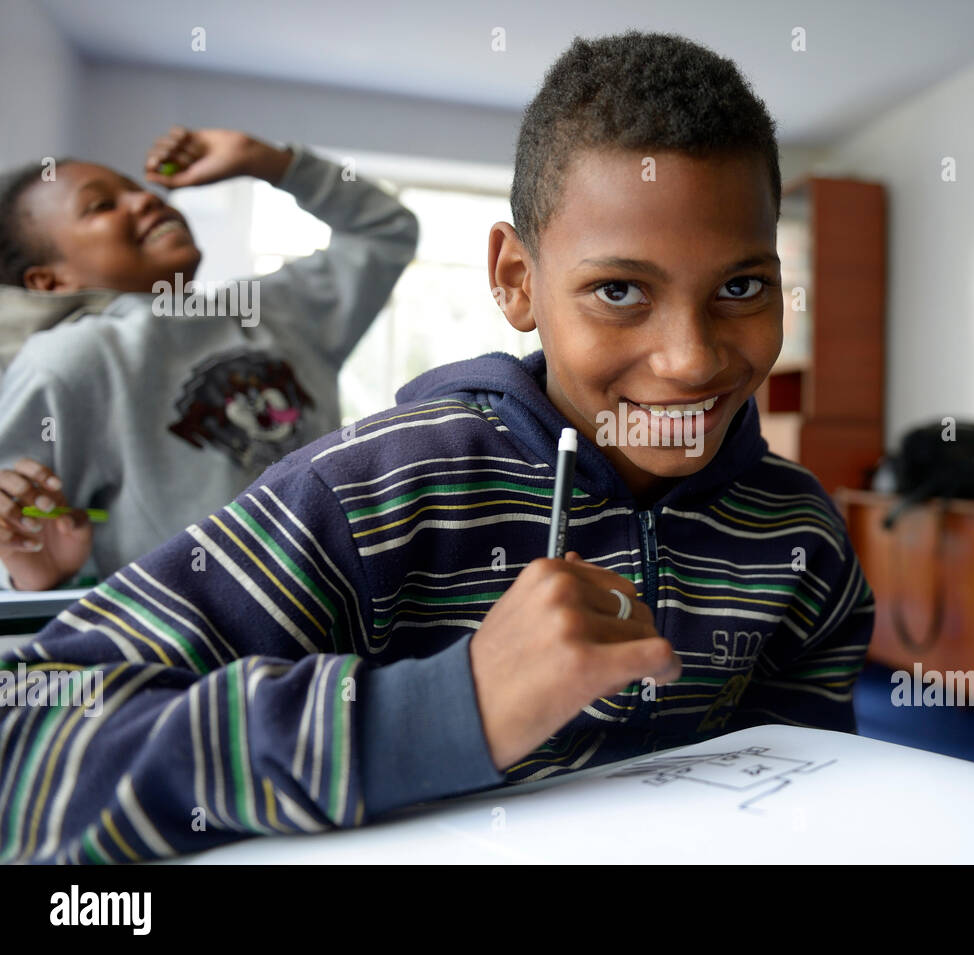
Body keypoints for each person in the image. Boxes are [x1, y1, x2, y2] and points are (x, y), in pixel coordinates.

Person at [0, 31, 875, 863]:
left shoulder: (805, 535)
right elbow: (27, 743)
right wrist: (447, 708)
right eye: (618, 288)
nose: (691, 360)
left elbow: (806, 785)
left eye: (742, 286)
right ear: (515, 281)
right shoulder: (367, 493)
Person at [0, 127, 418, 590]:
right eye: (102, 206)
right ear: (49, 281)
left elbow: (386, 232)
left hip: (346, 629)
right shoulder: (71, 361)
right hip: (191, 652)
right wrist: (36, 574)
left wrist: (266, 161)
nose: (145, 202)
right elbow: (22, 546)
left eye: (140, 190)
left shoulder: (275, 310)